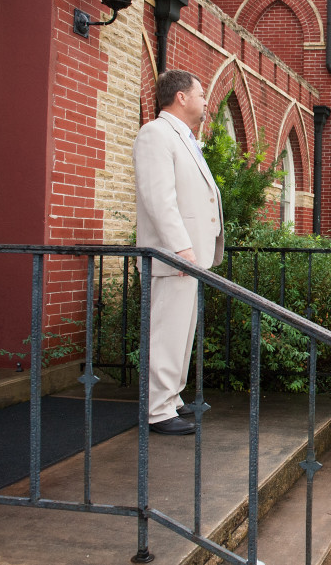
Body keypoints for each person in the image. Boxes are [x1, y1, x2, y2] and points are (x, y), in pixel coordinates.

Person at [134, 70, 225, 435]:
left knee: (182, 333)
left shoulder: (185, 138)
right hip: (175, 257)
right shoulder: (156, 134)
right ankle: (157, 411)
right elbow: (159, 199)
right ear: (181, 98)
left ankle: (170, 398)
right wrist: (181, 248)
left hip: (191, 258)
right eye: (201, 95)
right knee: (167, 331)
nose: (206, 102)